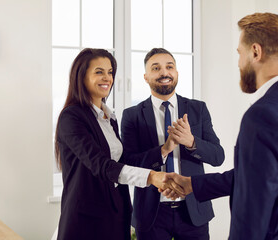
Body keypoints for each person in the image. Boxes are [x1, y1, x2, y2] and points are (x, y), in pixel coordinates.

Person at [162, 12, 278, 240]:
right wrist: (192, 184)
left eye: (239, 53)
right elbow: (261, 176)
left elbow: (251, 213)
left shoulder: (262, 115)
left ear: (255, 52)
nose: (238, 62)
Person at [54, 48, 184, 240]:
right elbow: (101, 165)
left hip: (116, 215)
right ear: (81, 77)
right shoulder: (72, 117)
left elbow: (124, 161)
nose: (107, 78)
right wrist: (151, 177)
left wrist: (164, 151)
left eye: (110, 72)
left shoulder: (109, 118)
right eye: (99, 72)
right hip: (86, 219)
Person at [121, 48, 225, 240]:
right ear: (146, 77)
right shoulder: (132, 115)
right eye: (156, 68)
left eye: (169, 67)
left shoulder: (197, 109)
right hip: (151, 214)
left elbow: (218, 156)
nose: (164, 73)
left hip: (193, 211)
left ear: (176, 73)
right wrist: (163, 150)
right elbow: (128, 163)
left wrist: (191, 142)